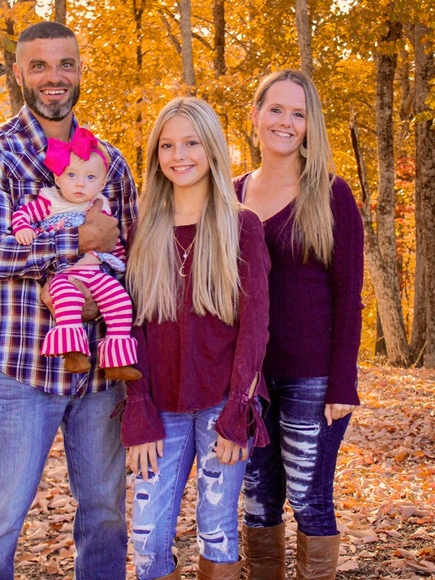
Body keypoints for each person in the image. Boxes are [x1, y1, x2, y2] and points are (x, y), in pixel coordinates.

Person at [0, 21, 137, 580]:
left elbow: (132, 254)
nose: (53, 77)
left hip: (101, 373)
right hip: (22, 368)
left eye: (64, 64)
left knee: (106, 514)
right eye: (38, 65)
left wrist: (100, 300)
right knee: (1, 518)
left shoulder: (110, 161)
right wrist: (78, 241)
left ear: (80, 70)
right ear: (19, 74)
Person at [121, 97, 271, 580]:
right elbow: (131, 328)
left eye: (191, 143)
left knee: (217, 527)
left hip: (222, 403)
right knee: (146, 535)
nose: (179, 155)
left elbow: (255, 327)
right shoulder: (142, 231)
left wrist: (238, 410)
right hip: (159, 406)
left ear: (212, 148)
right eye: (167, 145)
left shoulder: (241, 226)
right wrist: (139, 409)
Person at [235, 69, 364, 580]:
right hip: (248, 378)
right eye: (276, 109)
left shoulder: (331, 194)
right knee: (257, 500)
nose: (285, 122)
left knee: (310, 499)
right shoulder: (231, 193)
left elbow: (349, 296)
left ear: (310, 125)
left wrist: (343, 383)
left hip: (312, 377)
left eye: (298, 113)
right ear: (255, 114)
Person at [12, 126, 141, 381]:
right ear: (58, 178)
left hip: (96, 273)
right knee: (68, 301)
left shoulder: (99, 205)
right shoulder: (50, 201)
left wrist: (120, 262)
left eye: (90, 177)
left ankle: (116, 360)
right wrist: (23, 228)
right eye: (71, 175)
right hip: (64, 274)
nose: (80, 183)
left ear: (102, 183)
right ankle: (73, 353)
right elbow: (23, 214)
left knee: (120, 302)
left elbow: (112, 241)